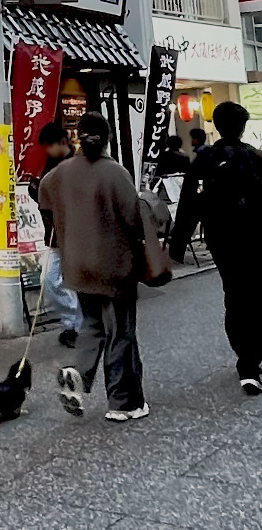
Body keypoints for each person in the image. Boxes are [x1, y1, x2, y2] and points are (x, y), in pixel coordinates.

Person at [38, 112, 149, 422]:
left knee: (91, 325)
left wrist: (59, 226)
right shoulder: (116, 173)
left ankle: (79, 372)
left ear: (78, 137)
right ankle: (123, 403)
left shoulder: (60, 174)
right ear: (108, 138)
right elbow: (134, 219)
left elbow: (43, 199)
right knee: (120, 332)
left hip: (77, 264)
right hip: (114, 267)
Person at [170, 102, 262, 395]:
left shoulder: (205, 159)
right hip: (255, 238)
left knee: (234, 295)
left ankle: (246, 363)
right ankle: (255, 355)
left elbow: (189, 203)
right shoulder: (254, 157)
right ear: (243, 127)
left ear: (218, 126)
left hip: (222, 239)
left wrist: (177, 244)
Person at [29, 123, 84, 347]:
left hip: (75, 235)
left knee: (74, 282)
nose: (48, 151)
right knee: (49, 279)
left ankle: (78, 327)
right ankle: (75, 323)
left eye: (50, 146)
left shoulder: (77, 166)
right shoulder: (52, 164)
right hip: (55, 235)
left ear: (62, 142)